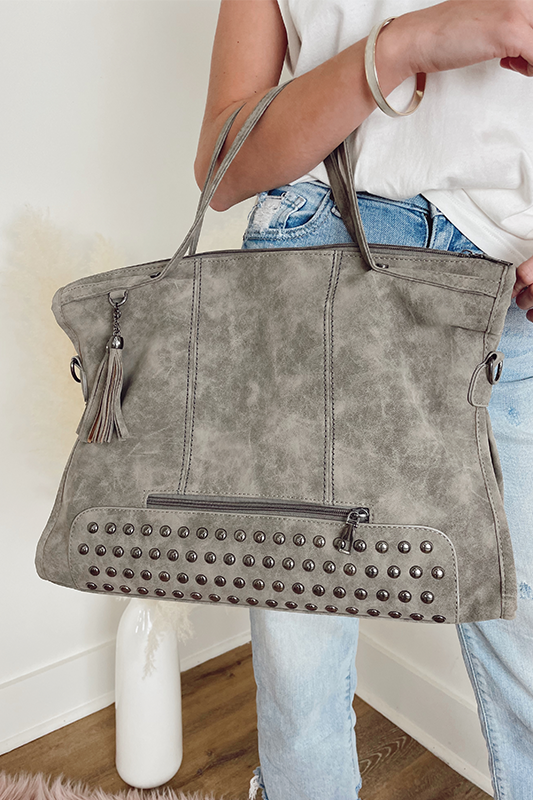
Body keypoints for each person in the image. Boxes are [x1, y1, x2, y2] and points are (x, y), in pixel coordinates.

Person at [194, 2, 533, 798]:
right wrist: (407, 44)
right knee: (299, 661)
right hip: (315, 260)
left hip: (508, 282)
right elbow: (220, 165)